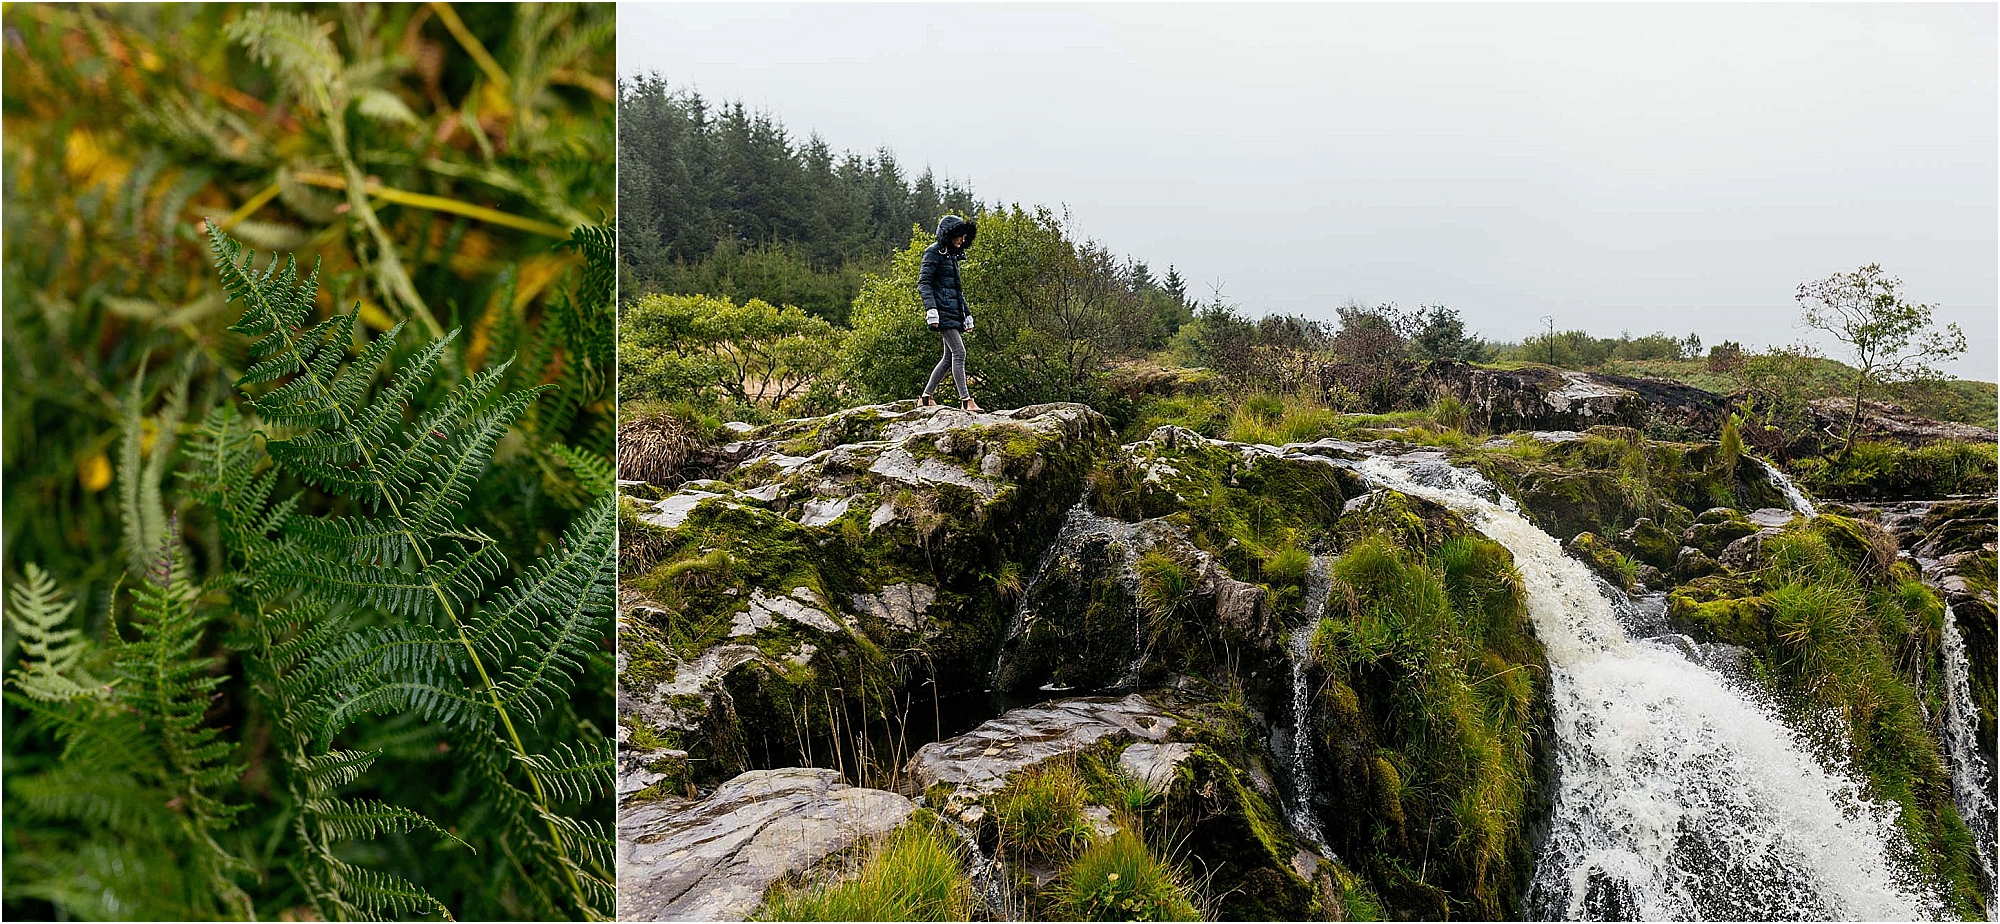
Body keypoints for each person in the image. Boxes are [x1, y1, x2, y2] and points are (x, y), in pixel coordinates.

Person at [918, 214, 981, 411]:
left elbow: (956, 290)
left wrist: (966, 314)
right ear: (949, 235)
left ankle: (926, 397)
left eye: (964, 237)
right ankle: (966, 401)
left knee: (948, 358)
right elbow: (924, 284)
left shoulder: (951, 256)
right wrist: (931, 310)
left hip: (952, 312)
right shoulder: (933, 253)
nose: (962, 240)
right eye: (959, 236)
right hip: (941, 312)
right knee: (959, 353)